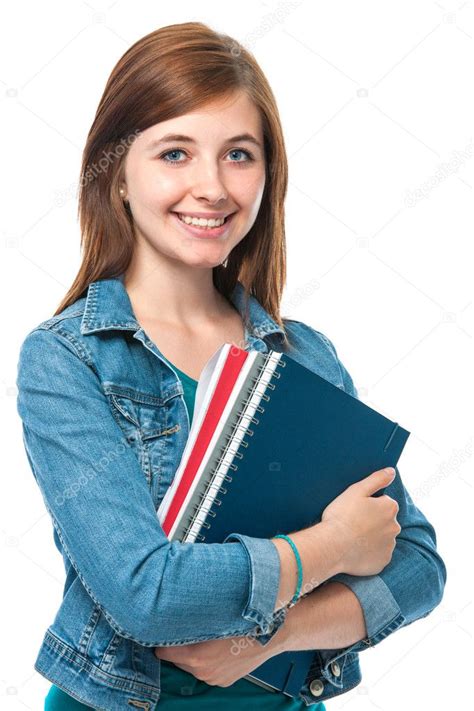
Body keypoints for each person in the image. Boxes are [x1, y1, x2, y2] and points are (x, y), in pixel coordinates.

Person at [16, 21, 447, 710]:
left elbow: (418, 565)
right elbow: (146, 593)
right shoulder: (67, 359)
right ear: (117, 174)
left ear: (267, 175)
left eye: (239, 155)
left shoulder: (304, 355)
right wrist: (330, 547)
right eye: (175, 152)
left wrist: (268, 639)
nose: (211, 187)